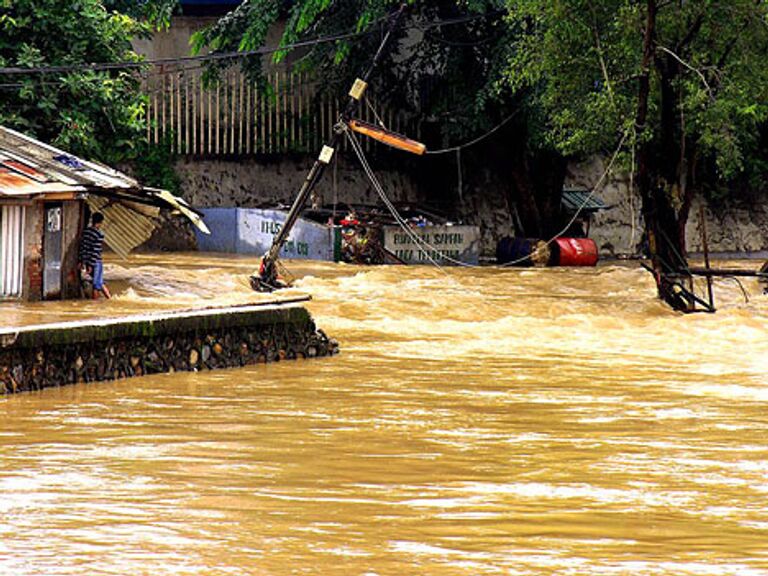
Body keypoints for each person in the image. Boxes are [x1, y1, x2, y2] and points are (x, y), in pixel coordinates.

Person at [79, 212, 111, 299]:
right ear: (100, 222)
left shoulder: (86, 232)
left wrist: (83, 261)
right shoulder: (99, 234)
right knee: (96, 285)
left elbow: (83, 248)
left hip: (88, 260)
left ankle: (110, 299)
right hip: (96, 262)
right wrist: (91, 265)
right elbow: (95, 251)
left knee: (99, 282)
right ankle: (94, 305)